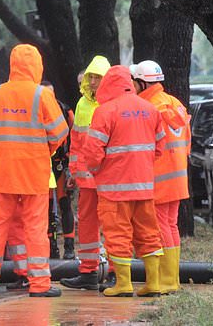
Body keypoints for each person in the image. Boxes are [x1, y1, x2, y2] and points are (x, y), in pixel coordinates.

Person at [0, 44, 68, 298]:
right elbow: (60, 133)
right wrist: (44, 149)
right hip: (34, 173)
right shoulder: (42, 95)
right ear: (37, 66)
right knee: (36, 229)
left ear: (12, 65)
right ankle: (39, 284)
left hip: (3, 173)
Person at [83, 65, 166, 297]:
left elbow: (92, 153)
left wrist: (97, 170)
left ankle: (123, 284)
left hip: (114, 189)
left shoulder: (105, 111)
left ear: (109, 84)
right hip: (144, 188)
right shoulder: (150, 109)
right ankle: (154, 284)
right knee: (149, 233)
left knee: (117, 234)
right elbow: (161, 147)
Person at [131, 60, 190, 294]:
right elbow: (187, 142)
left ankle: (165, 282)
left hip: (158, 177)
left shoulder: (148, 108)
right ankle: (171, 280)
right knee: (171, 225)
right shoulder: (175, 104)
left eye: (134, 83)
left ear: (142, 82)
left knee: (159, 228)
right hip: (177, 177)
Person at [60, 55, 112, 291]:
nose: (93, 82)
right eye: (91, 77)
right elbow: (76, 142)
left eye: (97, 77)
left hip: (108, 176)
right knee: (88, 225)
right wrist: (74, 171)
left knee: (113, 224)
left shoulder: (112, 104)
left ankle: (114, 271)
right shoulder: (82, 105)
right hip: (87, 177)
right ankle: (88, 272)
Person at [40, 80, 76, 260]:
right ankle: (51, 246)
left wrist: (72, 162)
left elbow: (74, 135)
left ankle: (69, 248)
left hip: (60, 162)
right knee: (46, 206)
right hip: (42, 163)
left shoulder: (65, 110)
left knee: (64, 203)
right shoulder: (35, 111)